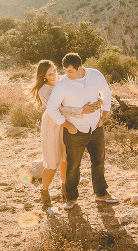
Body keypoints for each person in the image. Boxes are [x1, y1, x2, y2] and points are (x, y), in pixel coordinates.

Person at [46, 52, 119, 209]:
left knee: (98, 162)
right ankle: (71, 198)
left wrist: (103, 118)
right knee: (73, 166)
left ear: (79, 68)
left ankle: (101, 194)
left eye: (70, 71)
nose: (67, 74)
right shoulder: (63, 84)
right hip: (75, 131)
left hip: (96, 128)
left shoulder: (95, 75)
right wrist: (68, 125)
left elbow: (107, 94)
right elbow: (51, 108)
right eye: (65, 71)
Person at [30, 60, 100, 205]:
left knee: (65, 160)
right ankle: (45, 192)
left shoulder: (63, 82)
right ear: (44, 77)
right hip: (52, 126)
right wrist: (81, 111)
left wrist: (96, 100)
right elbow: (58, 109)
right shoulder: (43, 90)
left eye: (55, 71)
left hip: (68, 124)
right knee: (51, 162)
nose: (54, 75)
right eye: (50, 74)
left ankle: (65, 190)